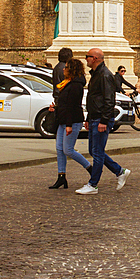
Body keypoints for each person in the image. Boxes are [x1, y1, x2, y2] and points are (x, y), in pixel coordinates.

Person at [76, 47, 130, 195]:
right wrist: (88, 117)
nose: (85, 59)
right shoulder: (96, 74)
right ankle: (119, 171)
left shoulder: (105, 75)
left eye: (87, 56)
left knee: (97, 152)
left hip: (101, 118)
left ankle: (93, 185)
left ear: (95, 58)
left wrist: (104, 121)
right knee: (94, 151)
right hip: (95, 117)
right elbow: (93, 98)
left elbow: (109, 100)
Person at [48, 57, 91, 190]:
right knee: (60, 149)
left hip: (72, 120)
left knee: (68, 149)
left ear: (71, 70)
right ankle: (61, 176)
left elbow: (72, 105)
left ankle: (90, 168)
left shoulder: (76, 85)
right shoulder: (67, 83)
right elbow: (65, 103)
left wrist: (68, 125)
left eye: (66, 67)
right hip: (63, 119)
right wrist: (56, 108)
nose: (63, 69)